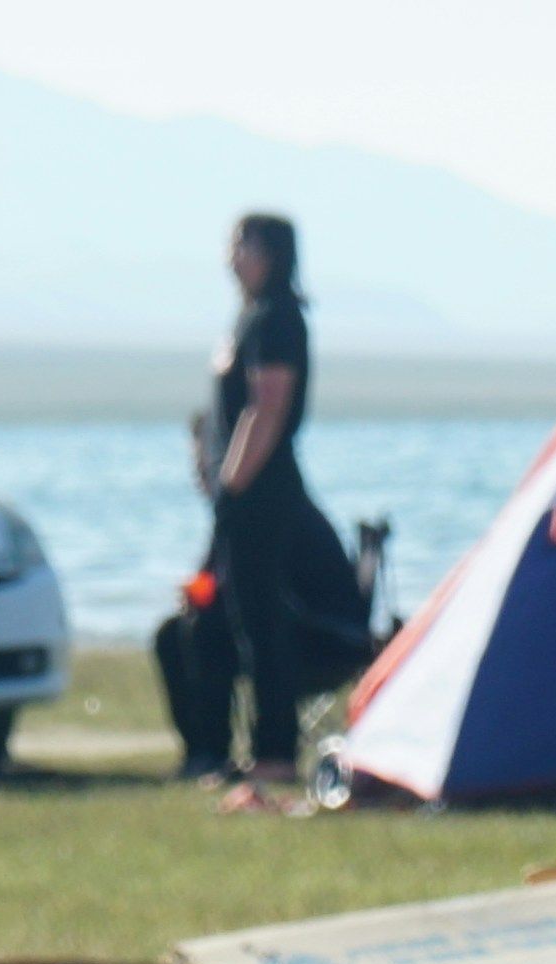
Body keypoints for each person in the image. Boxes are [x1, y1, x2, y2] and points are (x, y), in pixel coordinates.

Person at [160, 212, 368, 807]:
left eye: (241, 245)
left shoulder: (278, 317)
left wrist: (234, 482)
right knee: (226, 619)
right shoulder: (250, 317)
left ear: (269, 253)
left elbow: (267, 408)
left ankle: (275, 751)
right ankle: (219, 749)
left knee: (262, 621)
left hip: (262, 489)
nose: (232, 256)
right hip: (244, 491)